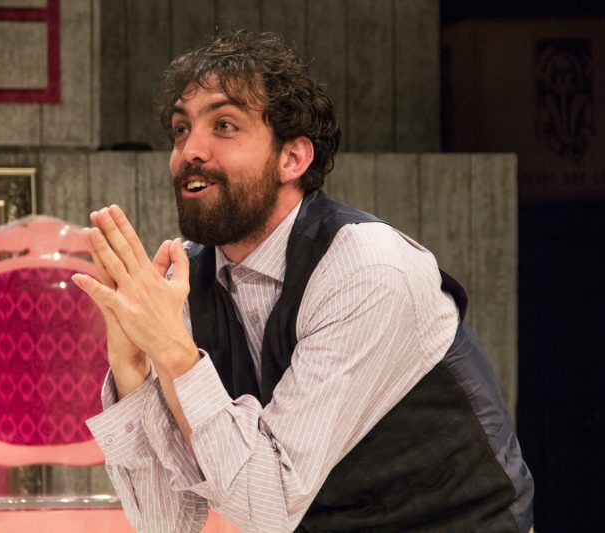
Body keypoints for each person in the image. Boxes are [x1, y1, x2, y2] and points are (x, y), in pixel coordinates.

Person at [77, 31, 534, 532]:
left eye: (224, 126)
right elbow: (168, 522)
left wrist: (171, 350)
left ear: (292, 158)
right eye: (181, 129)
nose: (190, 151)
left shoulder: (367, 270)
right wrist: (132, 366)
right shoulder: (187, 281)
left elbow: (268, 505)